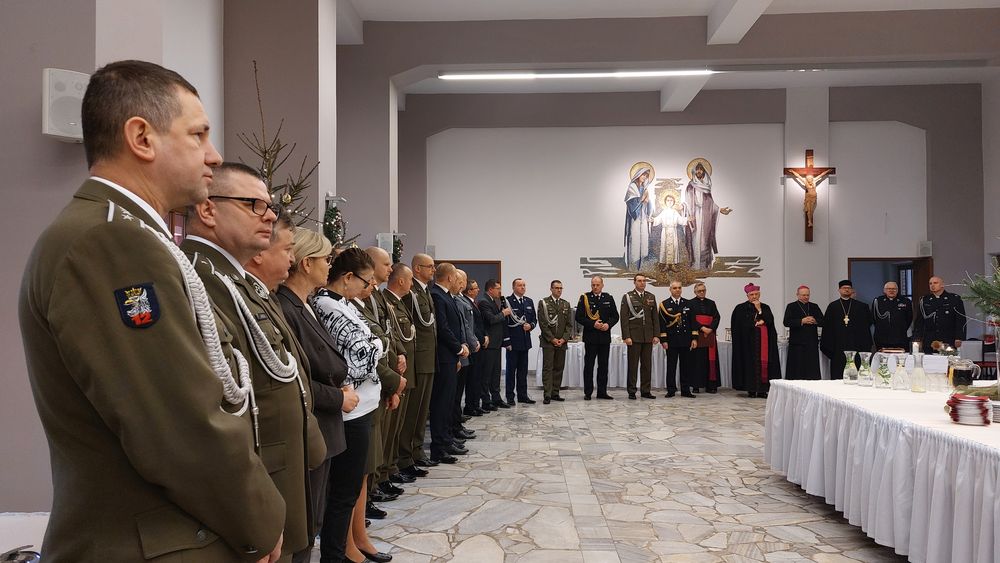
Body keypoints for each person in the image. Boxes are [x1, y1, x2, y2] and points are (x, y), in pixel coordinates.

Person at [19, 59, 285, 562]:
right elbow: (180, 423)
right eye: (198, 135)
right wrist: (259, 521)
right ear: (142, 138)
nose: (214, 156)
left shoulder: (120, 232)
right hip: (152, 541)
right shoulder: (111, 240)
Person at [182, 162, 324, 561]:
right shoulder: (199, 278)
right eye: (253, 205)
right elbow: (216, 408)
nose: (269, 216)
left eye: (269, 207)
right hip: (257, 479)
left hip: (281, 467)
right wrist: (250, 518)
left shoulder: (237, 281)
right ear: (208, 209)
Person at [277, 230, 361, 563]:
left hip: (326, 425)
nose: (330, 265)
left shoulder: (305, 304)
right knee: (304, 526)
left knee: (315, 519)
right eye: (326, 259)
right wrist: (337, 398)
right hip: (314, 422)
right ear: (306, 263)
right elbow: (294, 379)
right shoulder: (287, 307)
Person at [311, 248, 384, 563]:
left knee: (352, 485)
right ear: (348, 277)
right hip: (350, 408)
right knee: (343, 491)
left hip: (362, 403)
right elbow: (359, 360)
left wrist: (374, 346)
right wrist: (376, 347)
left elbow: (372, 342)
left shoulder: (344, 304)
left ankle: (344, 549)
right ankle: (335, 554)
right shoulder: (327, 306)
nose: (368, 287)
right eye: (365, 281)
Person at [382, 264, 423, 481]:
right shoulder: (387, 302)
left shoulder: (398, 302)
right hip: (395, 370)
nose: (411, 284)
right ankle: (387, 470)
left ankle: (394, 465)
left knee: (401, 423)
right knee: (392, 425)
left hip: (407, 369)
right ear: (401, 281)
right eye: (409, 279)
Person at [429, 263, 470, 463]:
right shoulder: (437, 295)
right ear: (450, 277)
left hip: (450, 357)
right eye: (456, 276)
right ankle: (439, 446)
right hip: (444, 356)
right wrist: (459, 348)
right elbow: (443, 328)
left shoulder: (446, 296)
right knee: (441, 403)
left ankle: (446, 440)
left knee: (447, 402)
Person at [402, 254, 438, 469]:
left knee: (423, 410)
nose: (433, 270)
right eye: (429, 266)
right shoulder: (411, 293)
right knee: (414, 411)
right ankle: (406, 455)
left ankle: (416, 450)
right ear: (417, 268)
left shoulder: (424, 291)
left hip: (428, 357)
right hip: (418, 359)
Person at [731, 283, 781, 398]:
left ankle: (763, 390)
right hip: (748, 343)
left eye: (756, 294)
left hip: (763, 343)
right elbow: (738, 326)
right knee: (749, 366)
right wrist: (753, 324)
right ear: (747, 296)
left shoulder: (765, 307)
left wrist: (759, 310)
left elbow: (770, 321)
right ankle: (751, 389)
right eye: (752, 294)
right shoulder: (740, 308)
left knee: (764, 365)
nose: (754, 297)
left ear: (759, 294)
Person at [576, 276, 620, 400]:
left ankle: (602, 392)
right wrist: (592, 324)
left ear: (602, 285)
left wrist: (608, 325)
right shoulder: (585, 297)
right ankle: (588, 392)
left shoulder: (608, 298)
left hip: (604, 338)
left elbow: (615, 316)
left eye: (597, 285)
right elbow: (579, 317)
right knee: (589, 366)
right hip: (591, 337)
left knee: (603, 366)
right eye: (593, 285)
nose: (595, 287)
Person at [683, 160, 732, 270]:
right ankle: (694, 264)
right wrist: (685, 210)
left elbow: (711, 204)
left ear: (704, 172)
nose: (699, 171)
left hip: (705, 217)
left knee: (704, 240)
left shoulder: (707, 188)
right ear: (694, 171)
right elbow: (687, 202)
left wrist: (720, 210)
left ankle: (704, 265)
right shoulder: (690, 186)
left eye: (701, 169)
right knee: (695, 240)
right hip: (694, 217)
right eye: (697, 169)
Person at [820, 280, 873, 379]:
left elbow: (868, 324)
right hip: (838, 346)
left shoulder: (862, 306)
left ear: (852, 290)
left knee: (857, 373)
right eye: (844, 288)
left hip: (857, 344)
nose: (847, 290)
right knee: (838, 373)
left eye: (849, 288)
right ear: (839, 290)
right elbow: (827, 327)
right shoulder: (832, 307)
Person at [620, 274, 660, 399]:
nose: (642, 283)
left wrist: (656, 335)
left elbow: (655, 318)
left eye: (644, 281)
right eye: (639, 281)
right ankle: (632, 391)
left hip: (648, 336)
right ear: (634, 282)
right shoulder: (628, 297)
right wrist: (626, 336)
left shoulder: (651, 297)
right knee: (633, 365)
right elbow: (624, 318)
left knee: (647, 366)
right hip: (634, 337)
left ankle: (645, 390)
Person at [658, 281, 697, 398]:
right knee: (671, 366)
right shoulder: (664, 304)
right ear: (670, 289)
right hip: (672, 340)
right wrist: (664, 340)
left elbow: (693, 322)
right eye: (675, 288)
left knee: (685, 367)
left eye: (679, 288)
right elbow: (662, 324)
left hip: (685, 339)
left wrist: (694, 338)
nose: (677, 290)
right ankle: (671, 389)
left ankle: (685, 390)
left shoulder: (688, 303)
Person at [538, 279, 572, 403]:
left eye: (560, 288)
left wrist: (563, 339)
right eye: (556, 288)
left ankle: (555, 393)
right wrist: (552, 339)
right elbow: (543, 324)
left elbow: (569, 325)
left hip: (562, 342)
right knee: (548, 368)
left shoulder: (566, 304)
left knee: (559, 368)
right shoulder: (544, 303)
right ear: (551, 289)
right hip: (548, 342)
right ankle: (547, 394)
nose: (559, 290)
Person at [503, 278, 537, 405]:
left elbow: (534, 319)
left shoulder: (528, 301)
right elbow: (504, 324)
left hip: (525, 341)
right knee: (511, 371)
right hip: (513, 342)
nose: (523, 287)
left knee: (523, 372)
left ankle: (523, 395)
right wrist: (507, 342)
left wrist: (531, 326)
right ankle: (510, 397)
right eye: (519, 285)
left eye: (524, 285)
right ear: (513, 287)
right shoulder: (507, 302)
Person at [913, 276, 966, 353]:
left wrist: (959, 337)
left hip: (948, 338)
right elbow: (919, 321)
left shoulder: (954, 299)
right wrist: (917, 337)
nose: (932, 285)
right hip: (929, 340)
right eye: (930, 283)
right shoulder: (925, 300)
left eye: (935, 283)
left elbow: (960, 320)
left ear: (942, 285)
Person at [478, 279, 508, 410]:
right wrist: (503, 313)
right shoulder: (484, 302)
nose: (500, 291)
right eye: (498, 289)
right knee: (487, 374)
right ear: (490, 289)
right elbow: (491, 319)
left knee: (496, 373)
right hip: (489, 344)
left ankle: (496, 398)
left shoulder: (493, 301)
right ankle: (486, 400)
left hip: (496, 343)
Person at [783, 285, 824, 380]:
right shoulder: (791, 306)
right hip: (797, 343)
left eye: (807, 295)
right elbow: (786, 322)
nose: (806, 297)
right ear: (797, 295)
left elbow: (823, 321)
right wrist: (801, 321)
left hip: (811, 342)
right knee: (797, 368)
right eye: (803, 295)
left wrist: (815, 321)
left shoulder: (814, 306)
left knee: (812, 369)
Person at [688, 282, 722, 393]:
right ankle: (696, 385)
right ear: (695, 292)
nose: (702, 292)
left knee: (710, 361)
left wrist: (711, 328)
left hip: (710, 335)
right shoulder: (690, 303)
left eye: (704, 290)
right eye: (699, 291)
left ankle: (710, 385)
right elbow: (690, 319)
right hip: (697, 334)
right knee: (696, 361)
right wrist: (702, 328)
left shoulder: (711, 303)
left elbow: (717, 317)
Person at [462, 278, 488, 415]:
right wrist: (481, 339)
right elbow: (472, 326)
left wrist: (486, 336)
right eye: (476, 288)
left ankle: (475, 404)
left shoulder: (473, 303)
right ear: (469, 291)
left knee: (478, 377)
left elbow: (480, 323)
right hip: (474, 345)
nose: (478, 290)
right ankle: (470, 406)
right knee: (473, 378)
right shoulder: (466, 303)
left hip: (480, 344)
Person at [624, 164, 655, 270]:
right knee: (635, 237)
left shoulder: (644, 188)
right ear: (638, 175)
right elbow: (630, 202)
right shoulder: (632, 187)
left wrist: (647, 201)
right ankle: (634, 263)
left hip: (643, 216)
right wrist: (641, 199)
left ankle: (641, 264)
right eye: (643, 175)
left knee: (643, 237)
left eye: (646, 176)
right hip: (635, 218)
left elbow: (648, 203)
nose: (644, 177)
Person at [872, 281, 913, 350]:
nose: (891, 291)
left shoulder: (905, 301)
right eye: (889, 289)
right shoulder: (878, 301)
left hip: (900, 337)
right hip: (882, 338)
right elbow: (874, 318)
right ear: (884, 290)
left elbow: (909, 318)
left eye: (894, 289)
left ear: (897, 290)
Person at [650, 194, 687, 266]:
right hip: (665, 231)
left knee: (674, 247)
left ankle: (672, 265)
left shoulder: (675, 212)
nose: (669, 202)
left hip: (673, 231)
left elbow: (680, 220)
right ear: (665, 202)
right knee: (665, 247)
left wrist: (687, 219)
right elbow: (658, 219)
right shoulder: (664, 212)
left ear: (673, 202)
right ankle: (666, 265)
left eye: (671, 200)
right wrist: (653, 220)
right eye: (668, 200)